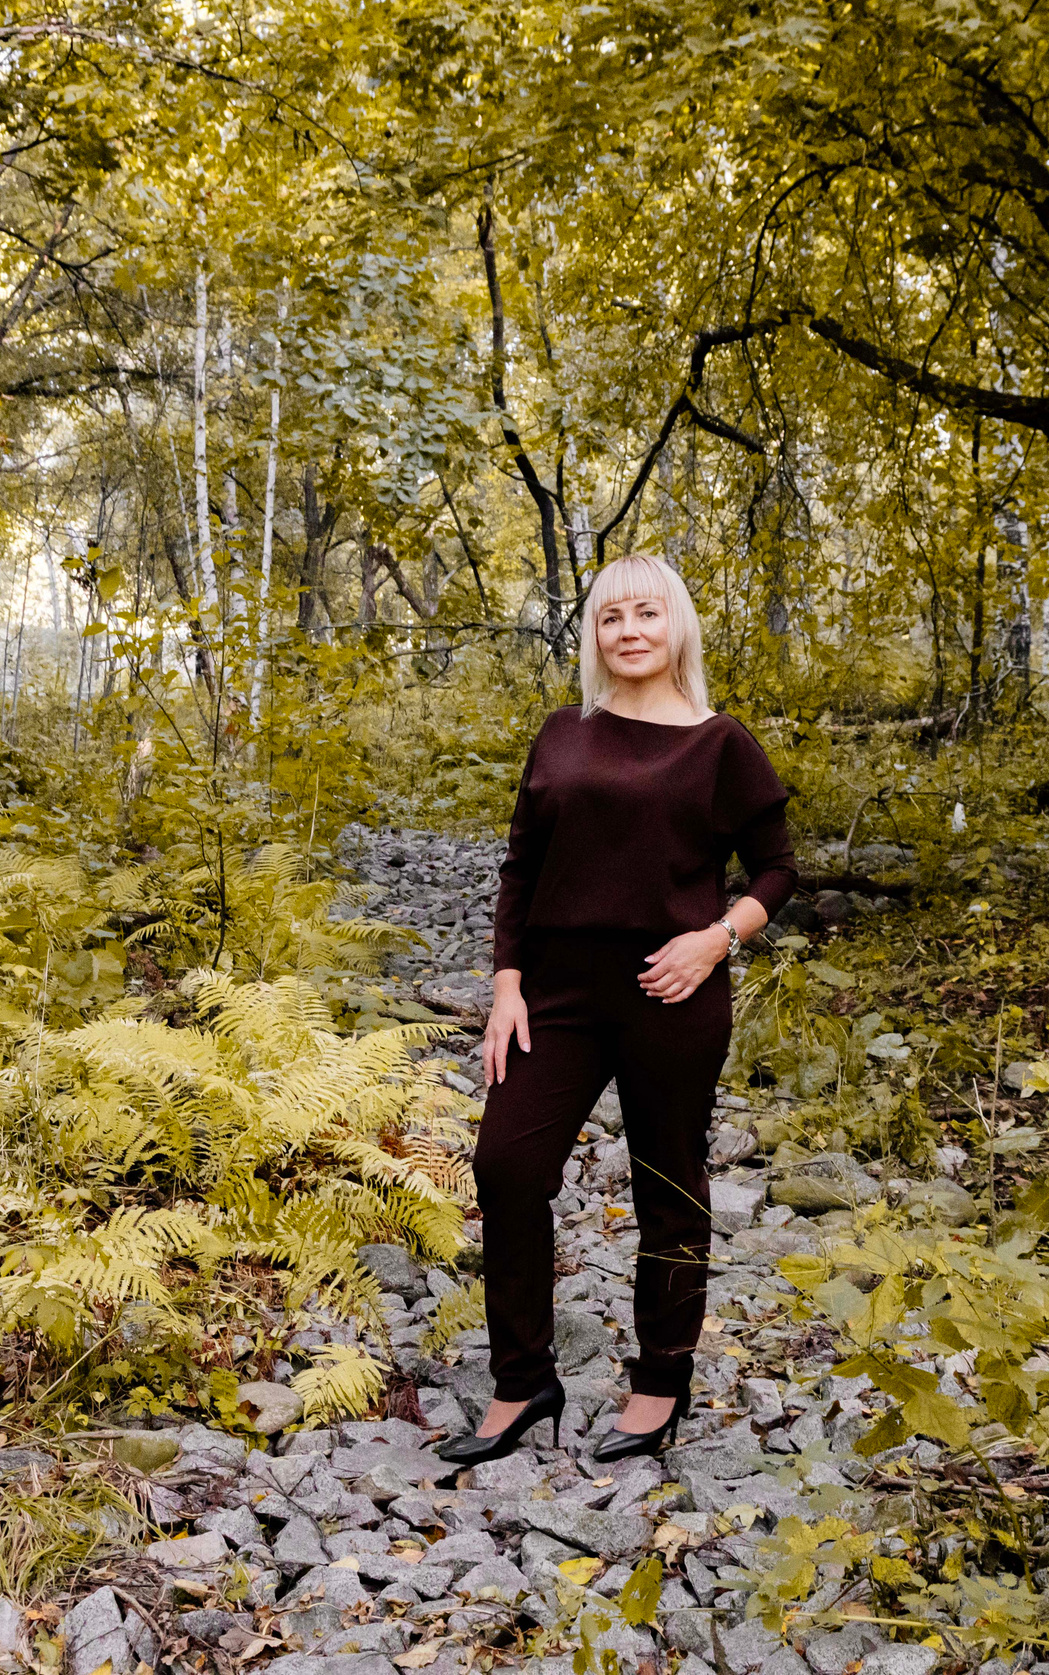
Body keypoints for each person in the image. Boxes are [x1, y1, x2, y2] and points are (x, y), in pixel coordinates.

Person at [438, 554, 798, 1466]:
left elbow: (778, 871)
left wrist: (718, 937)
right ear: (594, 635)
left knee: (667, 1187)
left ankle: (660, 1383)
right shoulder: (564, 732)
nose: (628, 630)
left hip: (669, 987)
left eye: (645, 613)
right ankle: (525, 1381)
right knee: (507, 1166)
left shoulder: (722, 743)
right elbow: (521, 866)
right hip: (554, 990)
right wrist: (507, 982)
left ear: (674, 624)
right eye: (609, 618)